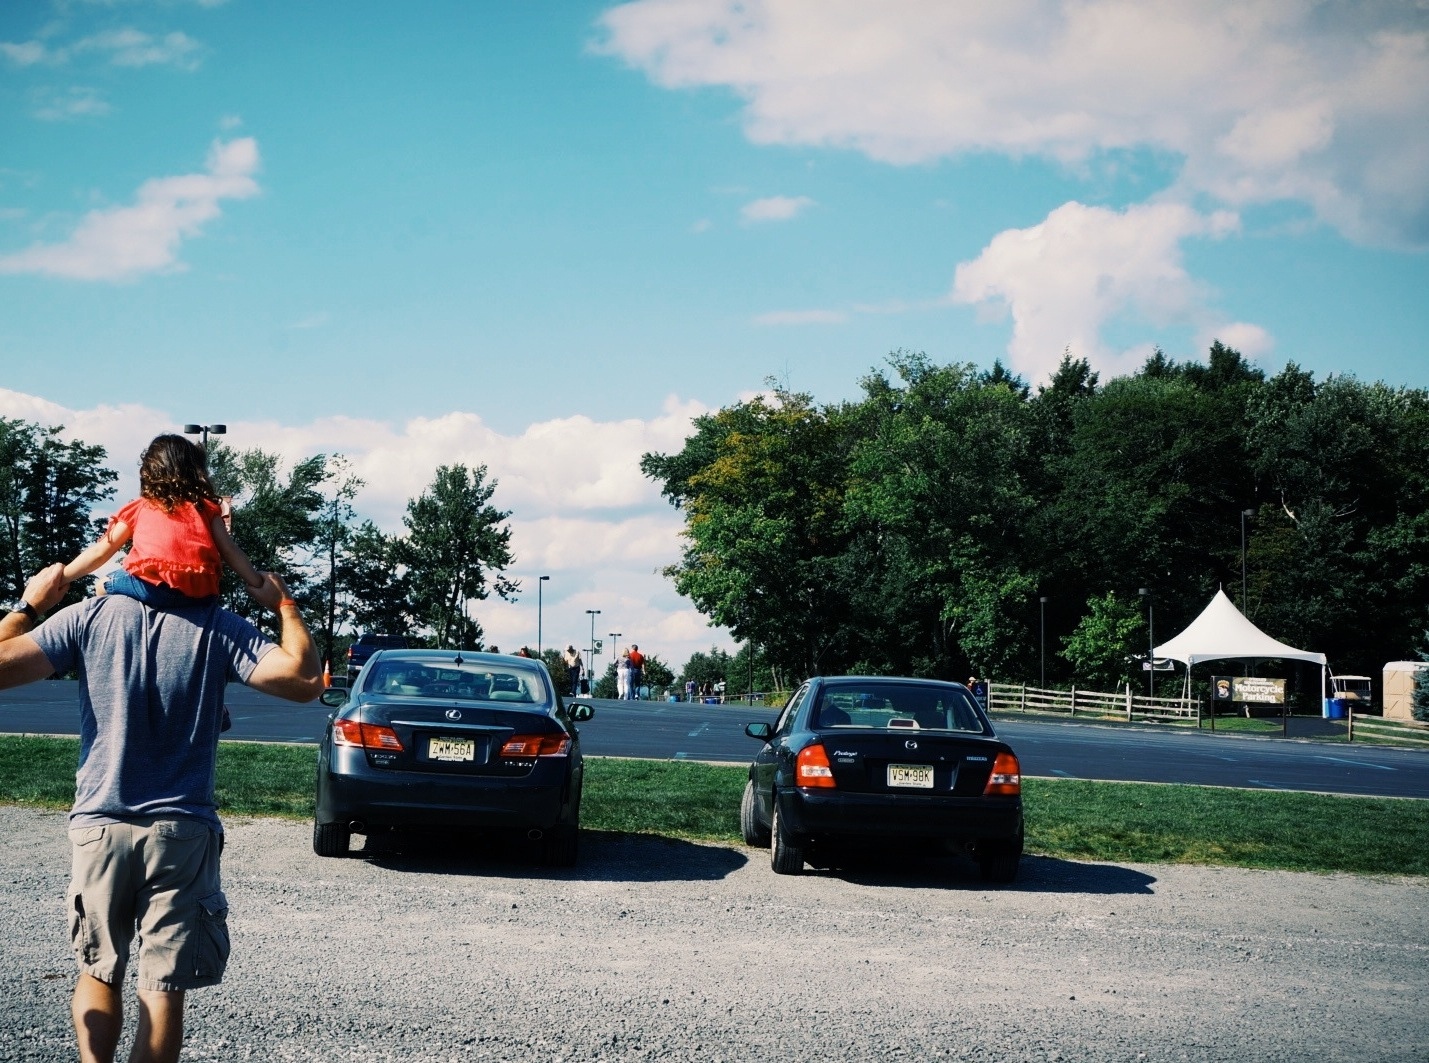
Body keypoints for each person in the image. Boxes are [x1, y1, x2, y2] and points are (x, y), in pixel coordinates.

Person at [0, 561, 322, 1063]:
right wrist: (284, 603)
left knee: (99, 970)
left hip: (100, 825)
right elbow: (305, 681)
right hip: (182, 831)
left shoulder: (89, 616)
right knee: (162, 987)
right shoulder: (218, 625)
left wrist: (29, 605)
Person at [63, 434, 265, 608]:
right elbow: (230, 550)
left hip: (152, 587)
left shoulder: (140, 507)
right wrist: (257, 582)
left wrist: (63, 576)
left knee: (102, 584)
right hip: (201, 591)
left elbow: (100, 552)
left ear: (149, 472)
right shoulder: (207, 508)